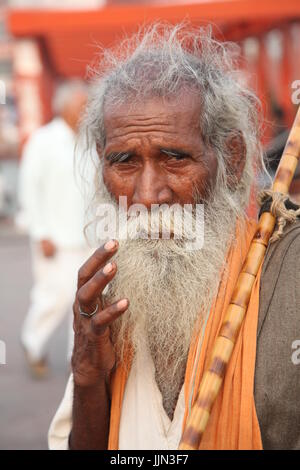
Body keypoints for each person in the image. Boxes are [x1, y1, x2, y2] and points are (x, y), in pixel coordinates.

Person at [48, 25, 300, 449]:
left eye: (175, 158)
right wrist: (87, 376)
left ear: (232, 159)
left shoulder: (290, 269)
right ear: (102, 166)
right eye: (124, 162)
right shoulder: (111, 292)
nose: (147, 196)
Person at [19, 80, 92, 377]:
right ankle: (32, 342)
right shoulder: (43, 140)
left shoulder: (92, 141)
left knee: (86, 299)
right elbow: (29, 189)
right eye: (80, 107)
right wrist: (40, 233)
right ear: (62, 108)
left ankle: (76, 357)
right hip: (55, 240)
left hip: (88, 237)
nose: (84, 113)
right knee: (54, 297)